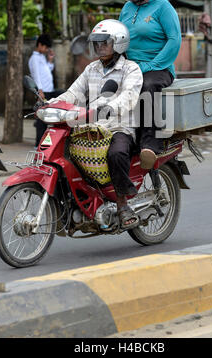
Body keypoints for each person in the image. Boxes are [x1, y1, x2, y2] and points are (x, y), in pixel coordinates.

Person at [48, 19, 143, 230]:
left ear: (118, 43)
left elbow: (129, 96)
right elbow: (74, 92)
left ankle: (122, 203)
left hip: (119, 127)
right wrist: (53, 103)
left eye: (105, 42)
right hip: (93, 127)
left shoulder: (131, 69)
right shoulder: (91, 69)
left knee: (116, 153)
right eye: (97, 43)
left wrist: (110, 107)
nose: (100, 47)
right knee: (68, 154)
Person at [117, 0, 181, 169]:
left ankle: (150, 145)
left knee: (147, 86)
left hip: (159, 68)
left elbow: (174, 41)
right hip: (131, 66)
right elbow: (120, 39)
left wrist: (152, 65)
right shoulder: (126, 8)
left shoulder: (163, 7)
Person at [28, 33, 63, 146]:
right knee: (41, 118)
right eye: (46, 47)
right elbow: (36, 76)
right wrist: (40, 91)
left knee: (44, 115)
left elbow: (48, 70)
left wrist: (50, 60)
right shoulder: (34, 59)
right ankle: (38, 143)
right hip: (43, 92)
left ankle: (41, 141)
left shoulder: (41, 57)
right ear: (40, 45)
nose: (47, 49)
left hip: (48, 90)